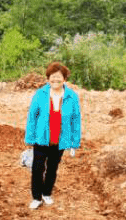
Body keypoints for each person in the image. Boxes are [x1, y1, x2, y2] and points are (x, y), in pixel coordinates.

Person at [24, 61, 82, 210]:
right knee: (37, 168)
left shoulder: (72, 97)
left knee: (52, 168)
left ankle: (47, 193)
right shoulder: (40, 94)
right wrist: (29, 138)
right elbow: (32, 117)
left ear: (65, 79)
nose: (55, 80)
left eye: (59, 77)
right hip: (41, 138)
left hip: (60, 139)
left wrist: (74, 143)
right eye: (52, 77)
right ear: (48, 78)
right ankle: (36, 197)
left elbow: (76, 120)